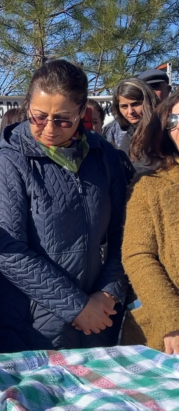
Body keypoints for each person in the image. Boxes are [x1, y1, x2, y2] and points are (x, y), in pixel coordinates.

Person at [0, 59, 128, 353]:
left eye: (62, 119)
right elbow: (8, 251)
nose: (49, 128)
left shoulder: (105, 157)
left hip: (99, 320)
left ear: (82, 112)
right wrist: (76, 307)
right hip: (30, 328)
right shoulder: (9, 161)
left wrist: (109, 294)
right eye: (38, 117)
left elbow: (125, 234)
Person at [121, 92, 179, 353]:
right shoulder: (150, 187)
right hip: (166, 334)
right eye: (174, 120)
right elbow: (137, 255)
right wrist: (172, 320)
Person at [102, 78, 159, 174]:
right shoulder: (129, 135)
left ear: (148, 102)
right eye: (124, 106)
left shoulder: (165, 132)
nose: (130, 111)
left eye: (136, 104)